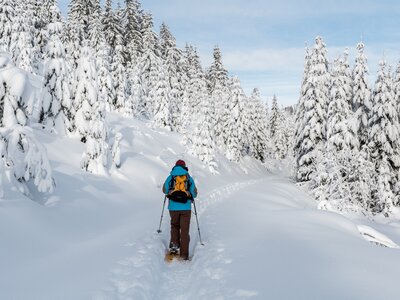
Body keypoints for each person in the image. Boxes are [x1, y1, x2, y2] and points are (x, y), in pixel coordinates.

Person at [162, 160, 197, 260]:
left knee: (174, 226)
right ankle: (184, 254)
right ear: (184, 166)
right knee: (184, 230)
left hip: (173, 207)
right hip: (186, 208)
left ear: (175, 166)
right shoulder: (188, 177)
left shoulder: (171, 176)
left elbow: (164, 190)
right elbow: (194, 193)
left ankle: (174, 246)